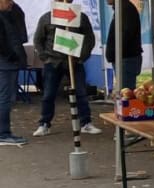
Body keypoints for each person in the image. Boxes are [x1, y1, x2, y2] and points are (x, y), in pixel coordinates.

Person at [33, 1, 103, 137]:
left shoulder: (80, 17)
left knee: (81, 93)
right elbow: (38, 39)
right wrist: (45, 57)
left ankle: (86, 123)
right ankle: (44, 124)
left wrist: (82, 57)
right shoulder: (46, 17)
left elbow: (89, 38)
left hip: (74, 61)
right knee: (48, 94)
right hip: (53, 62)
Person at [0, 0, 25, 146]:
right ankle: (3, 133)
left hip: (7, 62)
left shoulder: (8, 13)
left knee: (6, 98)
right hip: (5, 63)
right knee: (5, 99)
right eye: (8, 1)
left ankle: (4, 132)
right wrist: (12, 56)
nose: (11, 3)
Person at [104, 0, 141, 90]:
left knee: (126, 95)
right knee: (125, 93)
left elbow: (125, 35)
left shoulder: (125, 9)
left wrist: (113, 53)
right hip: (124, 59)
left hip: (125, 59)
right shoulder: (122, 8)